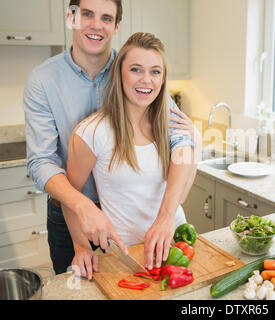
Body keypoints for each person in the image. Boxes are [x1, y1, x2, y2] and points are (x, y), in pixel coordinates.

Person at [22, 0, 200, 276]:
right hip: (70, 206)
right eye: (87, 15)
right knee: (76, 285)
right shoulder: (42, 80)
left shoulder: (134, 68)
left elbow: (179, 139)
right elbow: (42, 161)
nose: (96, 25)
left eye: (106, 18)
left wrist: (193, 139)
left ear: (116, 26)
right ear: (71, 17)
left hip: (123, 216)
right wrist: (80, 207)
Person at [64, 32, 200, 279]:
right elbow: (70, 197)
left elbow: (182, 194)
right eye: (136, 69)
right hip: (127, 258)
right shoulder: (92, 132)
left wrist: (196, 145)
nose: (146, 80)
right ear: (120, 74)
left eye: (155, 71)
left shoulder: (176, 126)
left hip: (178, 246)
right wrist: (81, 246)